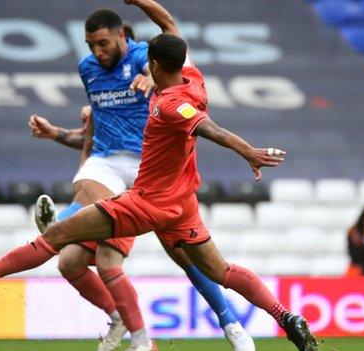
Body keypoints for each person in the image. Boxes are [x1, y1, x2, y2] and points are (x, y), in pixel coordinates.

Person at [0, 1, 319, 351]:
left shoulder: (173, 104)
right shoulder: (193, 77)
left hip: (147, 202)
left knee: (58, 234)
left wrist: (248, 151)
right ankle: (286, 317)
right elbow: (169, 25)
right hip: (182, 206)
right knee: (222, 270)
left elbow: (210, 128)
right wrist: (142, 2)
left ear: (154, 65)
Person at [28, 7, 254, 351]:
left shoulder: (143, 58)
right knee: (71, 257)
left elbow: (168, 45)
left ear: (122, 36)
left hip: (146, 169)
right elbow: (98, 128)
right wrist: (55, 133)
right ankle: (119, 316)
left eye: (103, 44)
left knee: (185, 257)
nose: (97, 53)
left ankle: (230, 323)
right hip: (106, 161)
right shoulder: (88, 70)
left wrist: (152, 77)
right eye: (90, 45)